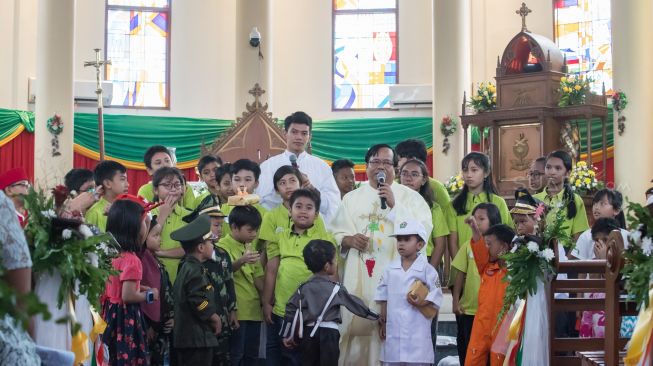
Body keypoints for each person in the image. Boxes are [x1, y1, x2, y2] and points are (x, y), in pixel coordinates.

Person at [330, 144, 432, 365]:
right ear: (366, 167)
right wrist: (349, 240)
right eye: (375, 162)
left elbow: (423, 233)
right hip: (361, 277)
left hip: (399, 279)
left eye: (386, 162)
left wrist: (396, 207)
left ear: (395, 167)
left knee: (395, 337)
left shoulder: (411, 198)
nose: (381, 167)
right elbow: (336, 232)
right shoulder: (352, 198)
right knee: (359, 332)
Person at [263, 189, 336, 365]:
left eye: (309, 207)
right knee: (282, 354)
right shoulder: (280, 238)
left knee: (306, 358)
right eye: (298, 206)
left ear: (317, 214)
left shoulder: (325, 240)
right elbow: (271, 270)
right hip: (283, 310)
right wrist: (266, 302)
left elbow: (333, 275)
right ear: (290, 210)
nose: (303, 211)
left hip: (312, 314)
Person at [280, 240, 379, 366]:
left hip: (308, 335)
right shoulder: (336, 289)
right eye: (335, 260)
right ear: (327, 266)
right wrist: (375, 316)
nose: (337, 263)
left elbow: (291, 309)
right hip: (329, 335)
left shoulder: (303, 288)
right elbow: (355, 305)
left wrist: (286, 334)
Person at [375, 220, 443, 365]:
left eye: (407, 239)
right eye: (399, 239)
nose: (401, 243)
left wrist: (422, 302)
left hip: (417, 332)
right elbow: (383, 295)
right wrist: (383, 322)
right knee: (392, 360)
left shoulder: (428, 270)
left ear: (420, 245)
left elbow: (437, 294)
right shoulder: (389, 269)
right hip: (394, 331)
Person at [102, 198, 160, 365]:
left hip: (110, 313)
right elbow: (128, 296)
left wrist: (139, 286)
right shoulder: (133, 260)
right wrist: (150, 294)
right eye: (143, 223)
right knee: (128, 357)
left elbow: (118, 284)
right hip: (125, 317)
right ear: (133, 229)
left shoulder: (111, 255)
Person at [257, 111, 340, 225]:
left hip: (313, 231)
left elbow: (333, 205)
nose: (299, 137)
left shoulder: (322, 167)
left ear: (310, 136)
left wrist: (312, 190)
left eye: (304, 133)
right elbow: (261, 201)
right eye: (294, 132)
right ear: (285, 133)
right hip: (278, 230)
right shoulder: (269, 166)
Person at [451, 203, 502, 365]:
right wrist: (455, 300)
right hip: (469, 309)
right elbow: (460, 272)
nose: (477, 222)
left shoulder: (499, 251)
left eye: (482, 218)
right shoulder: (468, 246)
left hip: (492, 313)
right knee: (469, 350)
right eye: (475, 218)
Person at [171, 214, 223, 365]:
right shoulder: (194, 270)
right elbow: (198, 301)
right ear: (201, 247)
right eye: (210, 242)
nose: (213, 246)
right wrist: (213, 317)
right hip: (196, 339)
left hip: (190, 338)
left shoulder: (189, 266)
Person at [216, 205, 265, 366]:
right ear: (234, 227)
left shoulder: (250, 246)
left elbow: (258, 278)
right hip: (237, 310)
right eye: (250, 230)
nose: (255, 234)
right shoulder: (222, 246)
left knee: (251, 355)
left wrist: (267, 302)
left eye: (256, 230)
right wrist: (242, 260)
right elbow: (222, 273)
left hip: (254, 310)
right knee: (235, 354)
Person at [464, 221, 515, 366]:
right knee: (472, 361)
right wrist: (474, 228)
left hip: (503, 327)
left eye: (490, 244)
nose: (486, 248)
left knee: (500, 361)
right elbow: (478, 247)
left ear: (504, 247)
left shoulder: (515, 272)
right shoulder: (486, 268)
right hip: (481, 325)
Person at [447, 152, 513, 260]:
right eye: (465, 170)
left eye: (474, 170)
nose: (468, 175)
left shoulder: (498, 202)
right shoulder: (455, 205)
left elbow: (506, 236)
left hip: (493, 265)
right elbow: (453, 242)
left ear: (486, 173)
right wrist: (460, 267)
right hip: (464, 264)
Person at [200, 208, 239, 365]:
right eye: (216, 225)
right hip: (204, 318)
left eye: (221, 225)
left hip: (223, 315)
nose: (220, 229)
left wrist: (233, 310)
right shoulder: (197, 255)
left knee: (223, 357)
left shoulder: (223, 254)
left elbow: (229, 283)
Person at [398, 159, 450, 268]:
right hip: (396, 259)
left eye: (414, 174)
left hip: (426, 259)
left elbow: (440, 245)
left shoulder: (433, 208)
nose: (408, 178)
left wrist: (428, 272)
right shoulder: (392, 203)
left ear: (424, 180)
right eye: (404, 173)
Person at [578, 217, 620, 339]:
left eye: (605, 240)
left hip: (611, 312)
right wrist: (600, 261)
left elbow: (615, 285)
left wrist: (605, 261)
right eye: (597, 240)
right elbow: (593, 286)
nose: (600, 244)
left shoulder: (622, 260)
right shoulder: (593, 261)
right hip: (593, 310)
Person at [534, 150, 589, 242]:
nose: (552, 172)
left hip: (566, 254)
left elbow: (579, 237)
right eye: (548, 167)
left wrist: (567, 256)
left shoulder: (575, 200)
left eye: (558, 168)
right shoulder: (534, 199)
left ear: (567, 173)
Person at [151, 167, 192, 283]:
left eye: (177, 185)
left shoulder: (189, 216)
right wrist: (163, 214)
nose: (173, 189)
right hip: (154, 280)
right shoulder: (147, 214)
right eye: (167, 185)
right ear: (155, 190)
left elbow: (190, 249)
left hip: (182, 280)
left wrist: (161, 253)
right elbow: (149, 245)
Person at [571, 188, 629, 261]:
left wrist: (605, 258)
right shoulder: (585, 236)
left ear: (616, 210)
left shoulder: (626, 236)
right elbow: (579, 269)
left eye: (602, 204)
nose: (596, 207)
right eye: (594, 203)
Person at [220, 159, 268, 243]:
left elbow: (265, 245)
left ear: (256, 183)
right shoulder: (221, 211)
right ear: (231, 182)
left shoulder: (265, 214)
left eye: (248, 180)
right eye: (237, 179)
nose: (242, 184)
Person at [137, 145, 197, 210]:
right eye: (158, 163)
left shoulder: (184, 186)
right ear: (149, 170)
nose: (165, 165)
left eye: (167, 161)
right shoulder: (145, 191)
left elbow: (191, 213)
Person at [85, 160, 129, 232]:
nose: (127, 184)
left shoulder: (126, 209)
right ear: (107, 183)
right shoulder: (94, 213)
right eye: (122, 179)